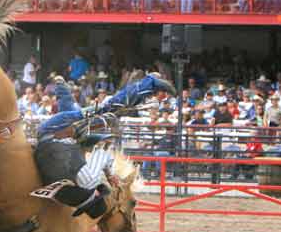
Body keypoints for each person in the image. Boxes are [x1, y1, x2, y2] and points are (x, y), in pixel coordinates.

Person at [34, 73, 175, 219]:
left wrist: (110, 174)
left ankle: (150, 82)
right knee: (77, 113)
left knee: (106, 110)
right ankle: (60, 86)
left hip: (53, 132)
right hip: (55, 138)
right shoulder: (69, 196)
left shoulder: (90, 181)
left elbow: (102, 155)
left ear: (96, 195)